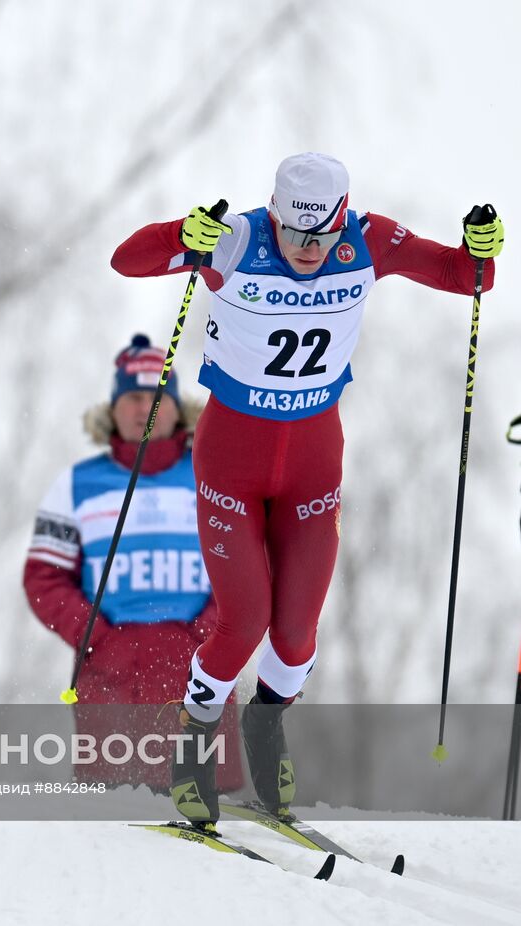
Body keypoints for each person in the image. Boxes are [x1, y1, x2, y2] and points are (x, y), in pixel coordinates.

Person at [111, 152, 503, 826]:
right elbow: (128, 259)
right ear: (274, 214)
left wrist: (481, 252)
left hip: (313, 466)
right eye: (292, 235)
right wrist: (185, 234)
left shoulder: (369, 241)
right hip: (232, 462)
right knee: (244, 623)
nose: (304, 251)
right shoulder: (236, 239)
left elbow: (460, 276)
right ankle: (193, 750)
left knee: (294, 635)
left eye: (318, 238)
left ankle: (266, 733)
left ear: (341, 219)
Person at [24, 334, 241, 790]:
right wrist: (96, 635)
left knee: (205, 806)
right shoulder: (77, 483)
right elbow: (44, 576)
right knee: (114, 822)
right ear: (114, 408)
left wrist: (214, 631)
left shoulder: (216, 472)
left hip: (200, 665)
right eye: (134, 398)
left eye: (158, 397)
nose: (146, 408)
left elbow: (248, 561)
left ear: (178, 408)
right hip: (111, 669)